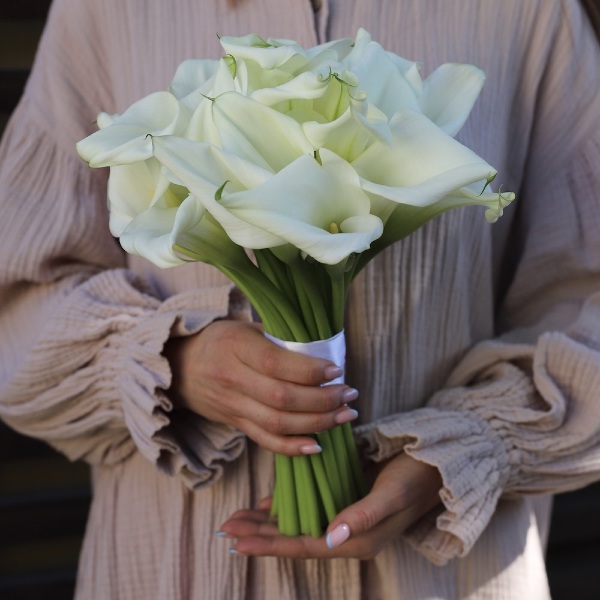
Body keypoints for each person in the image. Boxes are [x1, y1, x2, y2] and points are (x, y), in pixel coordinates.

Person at [1, 0, 600, 598]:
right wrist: (173, 363)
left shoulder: (526, 13)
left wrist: (463, 455)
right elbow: (19, 296)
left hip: (443, 572)